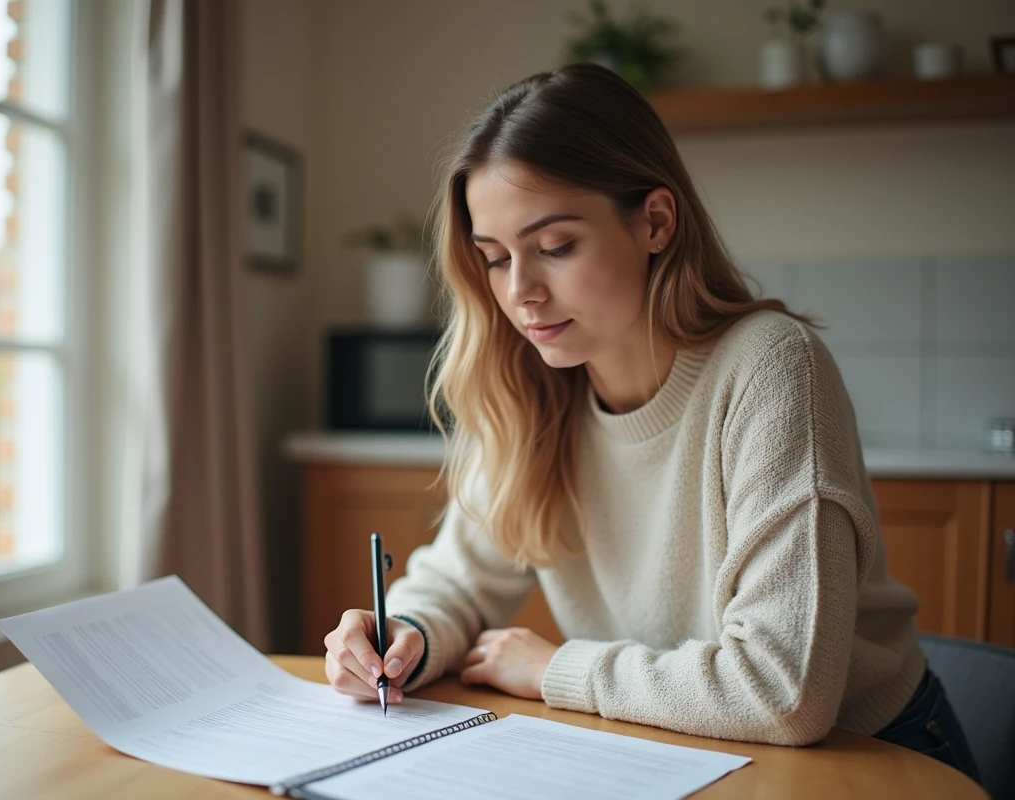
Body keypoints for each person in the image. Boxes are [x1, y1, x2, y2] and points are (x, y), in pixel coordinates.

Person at [322, 63, 979, 780]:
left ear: (656, 222)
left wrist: (555, 670)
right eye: (496, 258)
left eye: (555, 247)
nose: (521, 292)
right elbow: (457, 583)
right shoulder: (529, 389)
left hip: (872, 755)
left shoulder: (772, 369)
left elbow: (783, 694)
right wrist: (405, 635)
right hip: (678, 750)